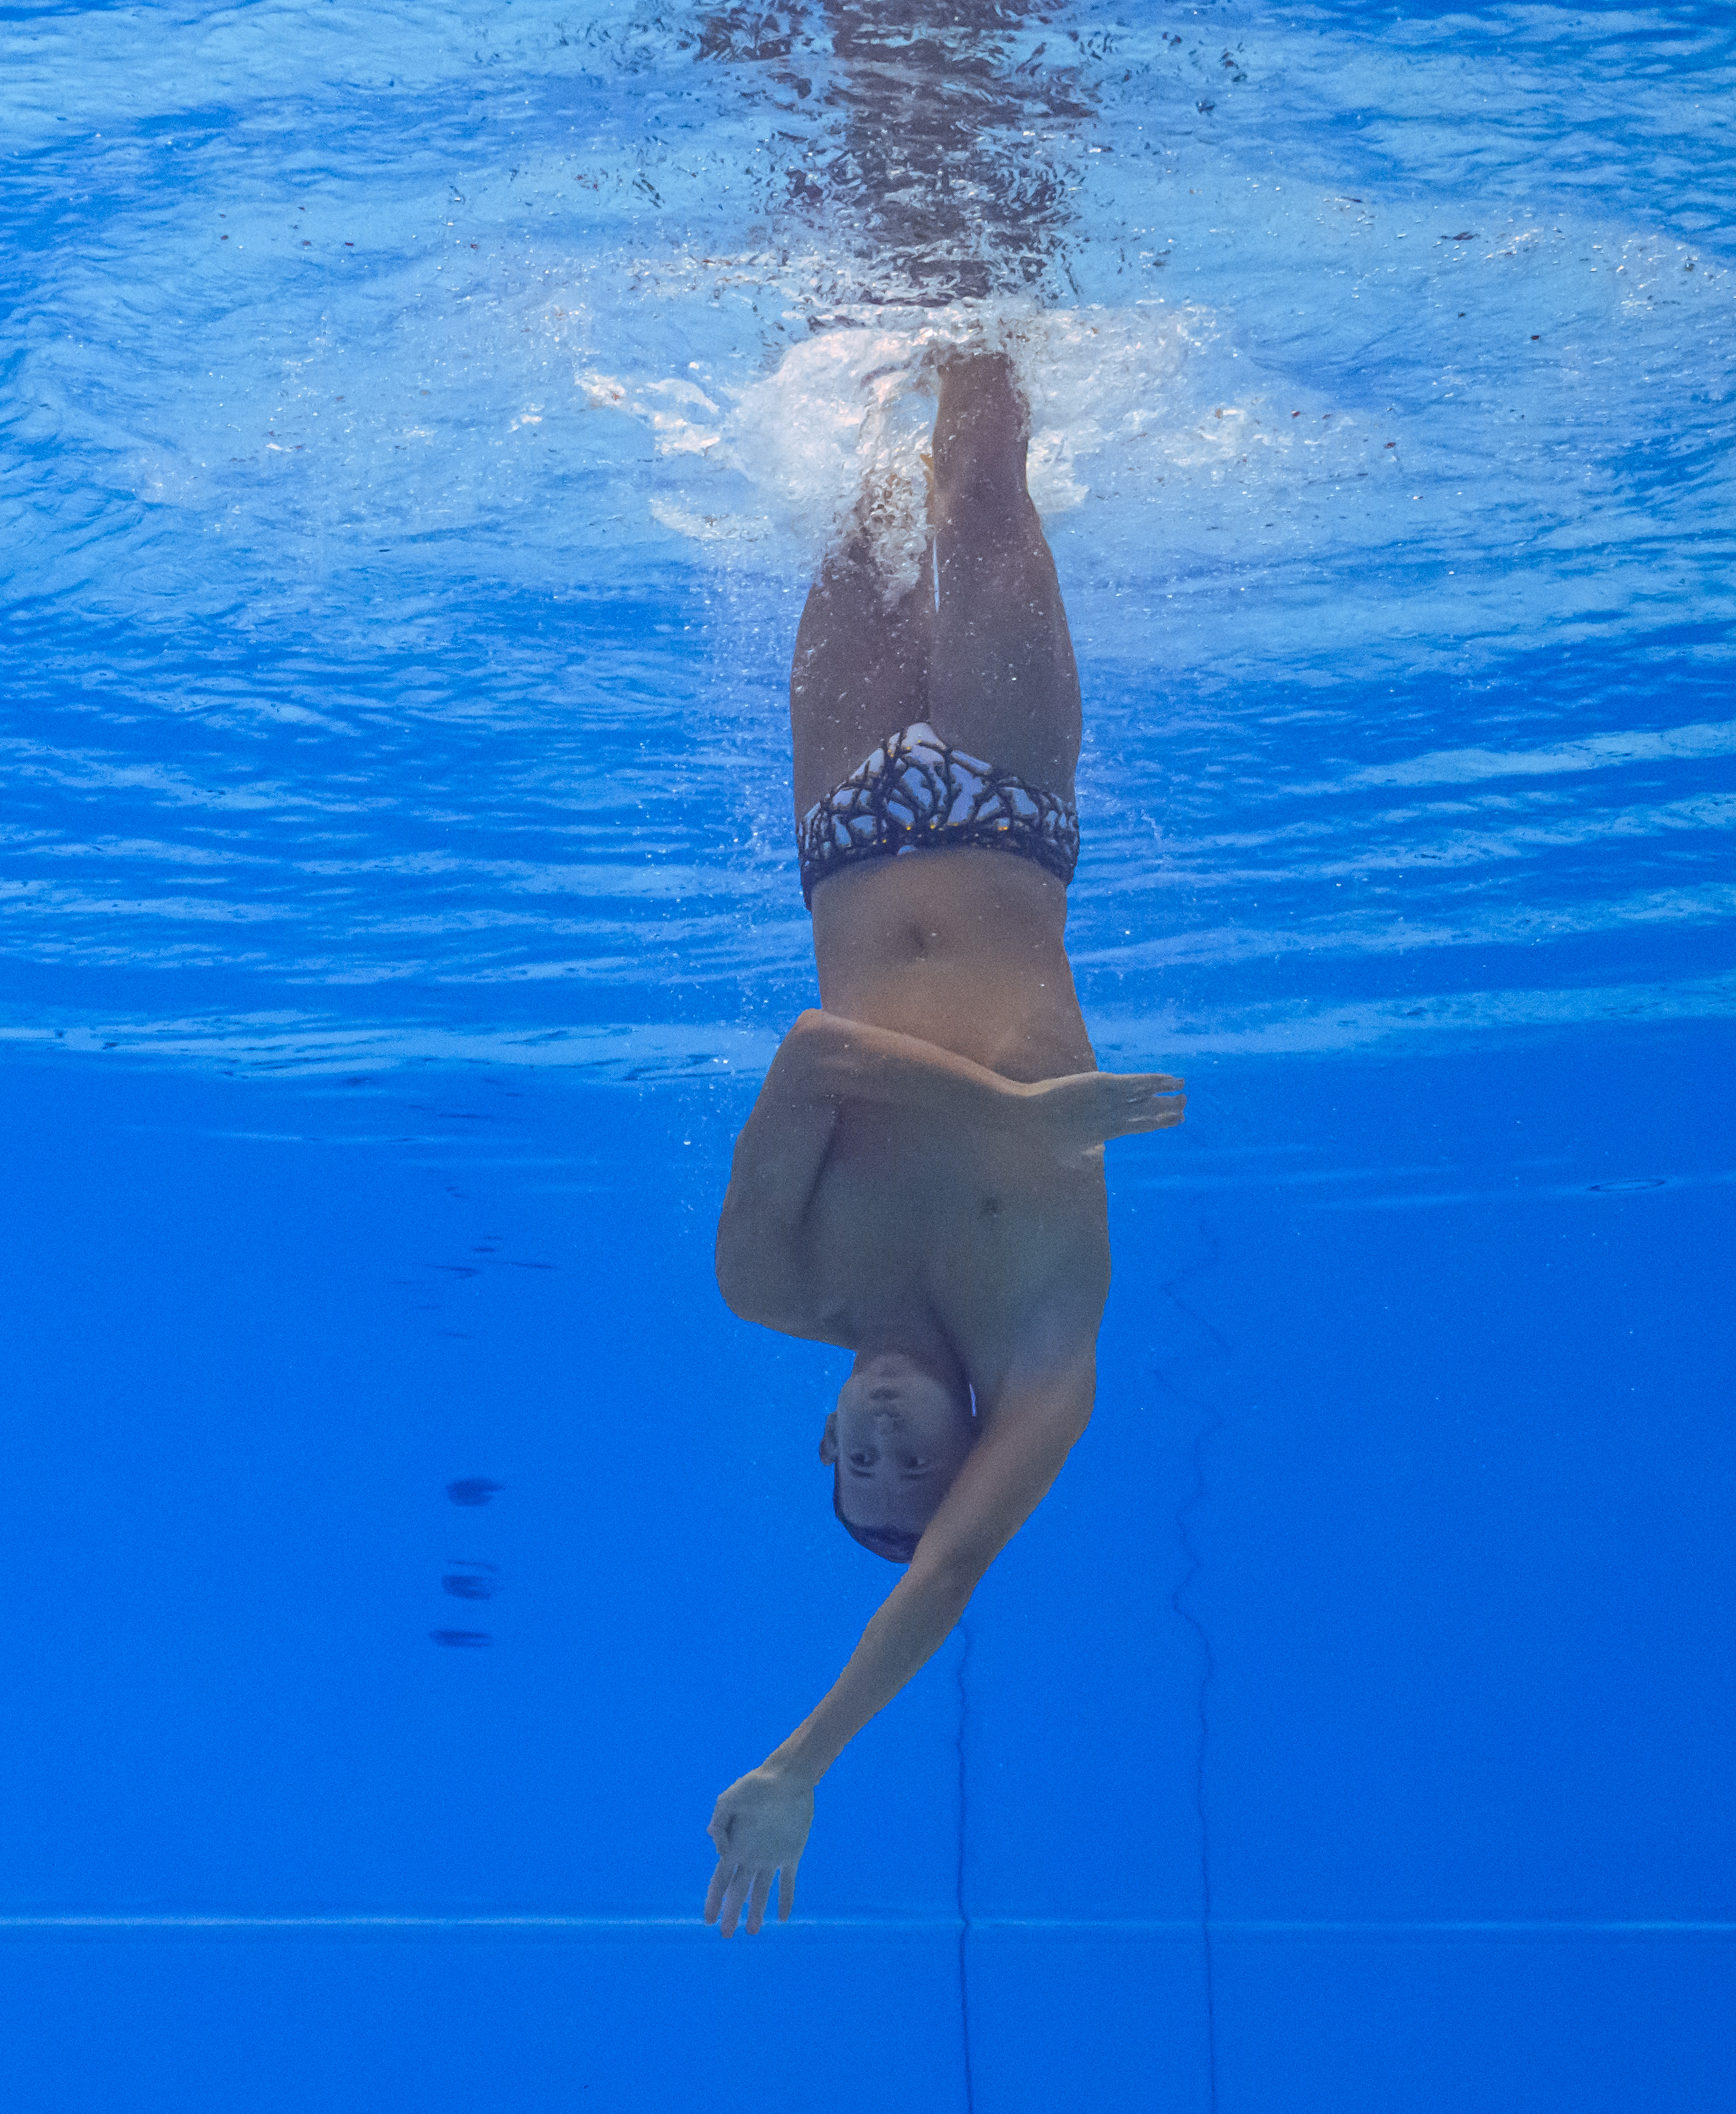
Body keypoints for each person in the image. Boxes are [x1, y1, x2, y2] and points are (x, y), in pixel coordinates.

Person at [700, 345, 1185, 1934]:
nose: (896, 1451)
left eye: (866, 1466)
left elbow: (812, 1047)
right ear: (970, 1451)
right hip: (1004, 810)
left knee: (843, 481)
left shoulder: (774, 1283)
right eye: (925, 1469)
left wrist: (1009, 1116)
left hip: (840, 826)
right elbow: (950, 1579)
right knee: (978, 466)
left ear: (828, 1437)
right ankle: (993, 187)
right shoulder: (1045, 1342)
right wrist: (804, 1765)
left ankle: (860, 223)